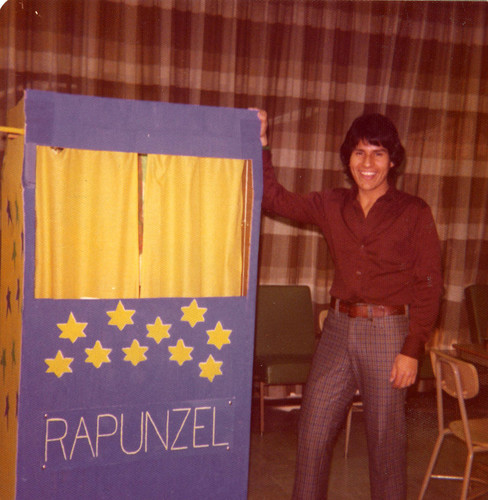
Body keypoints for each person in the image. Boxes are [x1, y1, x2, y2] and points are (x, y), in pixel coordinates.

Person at [255, 109, 443, 500]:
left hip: (389, 336)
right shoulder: (331, 203)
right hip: (337, 331)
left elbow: (429, 286)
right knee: (311, 435)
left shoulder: (414, 211)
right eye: (359, 153)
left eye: (377, 153)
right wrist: (261, 144)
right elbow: (273, 198)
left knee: (385, 449)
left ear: (393, 160)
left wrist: (412, 349)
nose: (368, 163)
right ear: (348, 159)